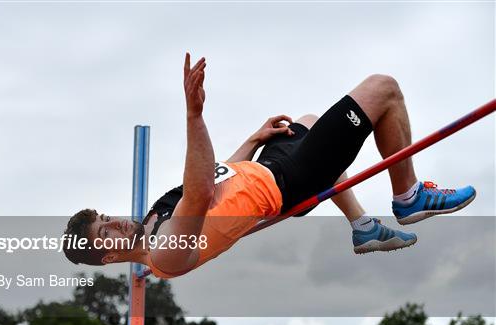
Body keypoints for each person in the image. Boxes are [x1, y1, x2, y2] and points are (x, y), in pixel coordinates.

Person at [62, 53, 476, 278]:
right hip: (288, 186)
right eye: (105, 232)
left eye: (106, 217)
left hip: (268, 168)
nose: (115, 222)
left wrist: (251, 140)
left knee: (308, 121)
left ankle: (363, 227)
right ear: (109, 259)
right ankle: (408, 196)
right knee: (382, 89)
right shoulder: (165, 254)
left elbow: (220, 177)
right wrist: (194, 117)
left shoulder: (154, 214)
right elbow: (201, 189)